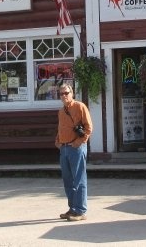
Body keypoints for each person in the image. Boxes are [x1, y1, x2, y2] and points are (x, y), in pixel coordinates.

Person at [55, 83, 93, 222]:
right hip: (64, 148)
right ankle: (72, 208)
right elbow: (60, 127)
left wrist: (78, 142)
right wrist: (58, 141)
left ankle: (81, 210)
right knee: (68, 180)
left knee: (79, 179)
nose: (64, 96)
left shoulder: (80, 106)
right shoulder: (61, 111)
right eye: (61, 94)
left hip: (76, 147)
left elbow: (88, 128)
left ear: (72, 93)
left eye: (66, 93)